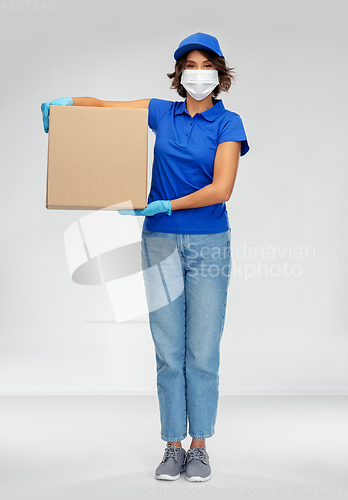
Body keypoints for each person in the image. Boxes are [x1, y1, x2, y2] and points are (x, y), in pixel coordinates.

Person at [41, 32, 250, 482]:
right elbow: (107, 109)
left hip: (209, 242)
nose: (198, 73)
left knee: (203, 351)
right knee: (168, 349)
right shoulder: (162, 113)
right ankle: (173, 446)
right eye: (189, 65)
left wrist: (167, 205)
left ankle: (200, 448)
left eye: (205, 64)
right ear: (179, 73)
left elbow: (222, 188)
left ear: (218, 72)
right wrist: (66, 106)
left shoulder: (228, 123)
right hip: (158, 243)